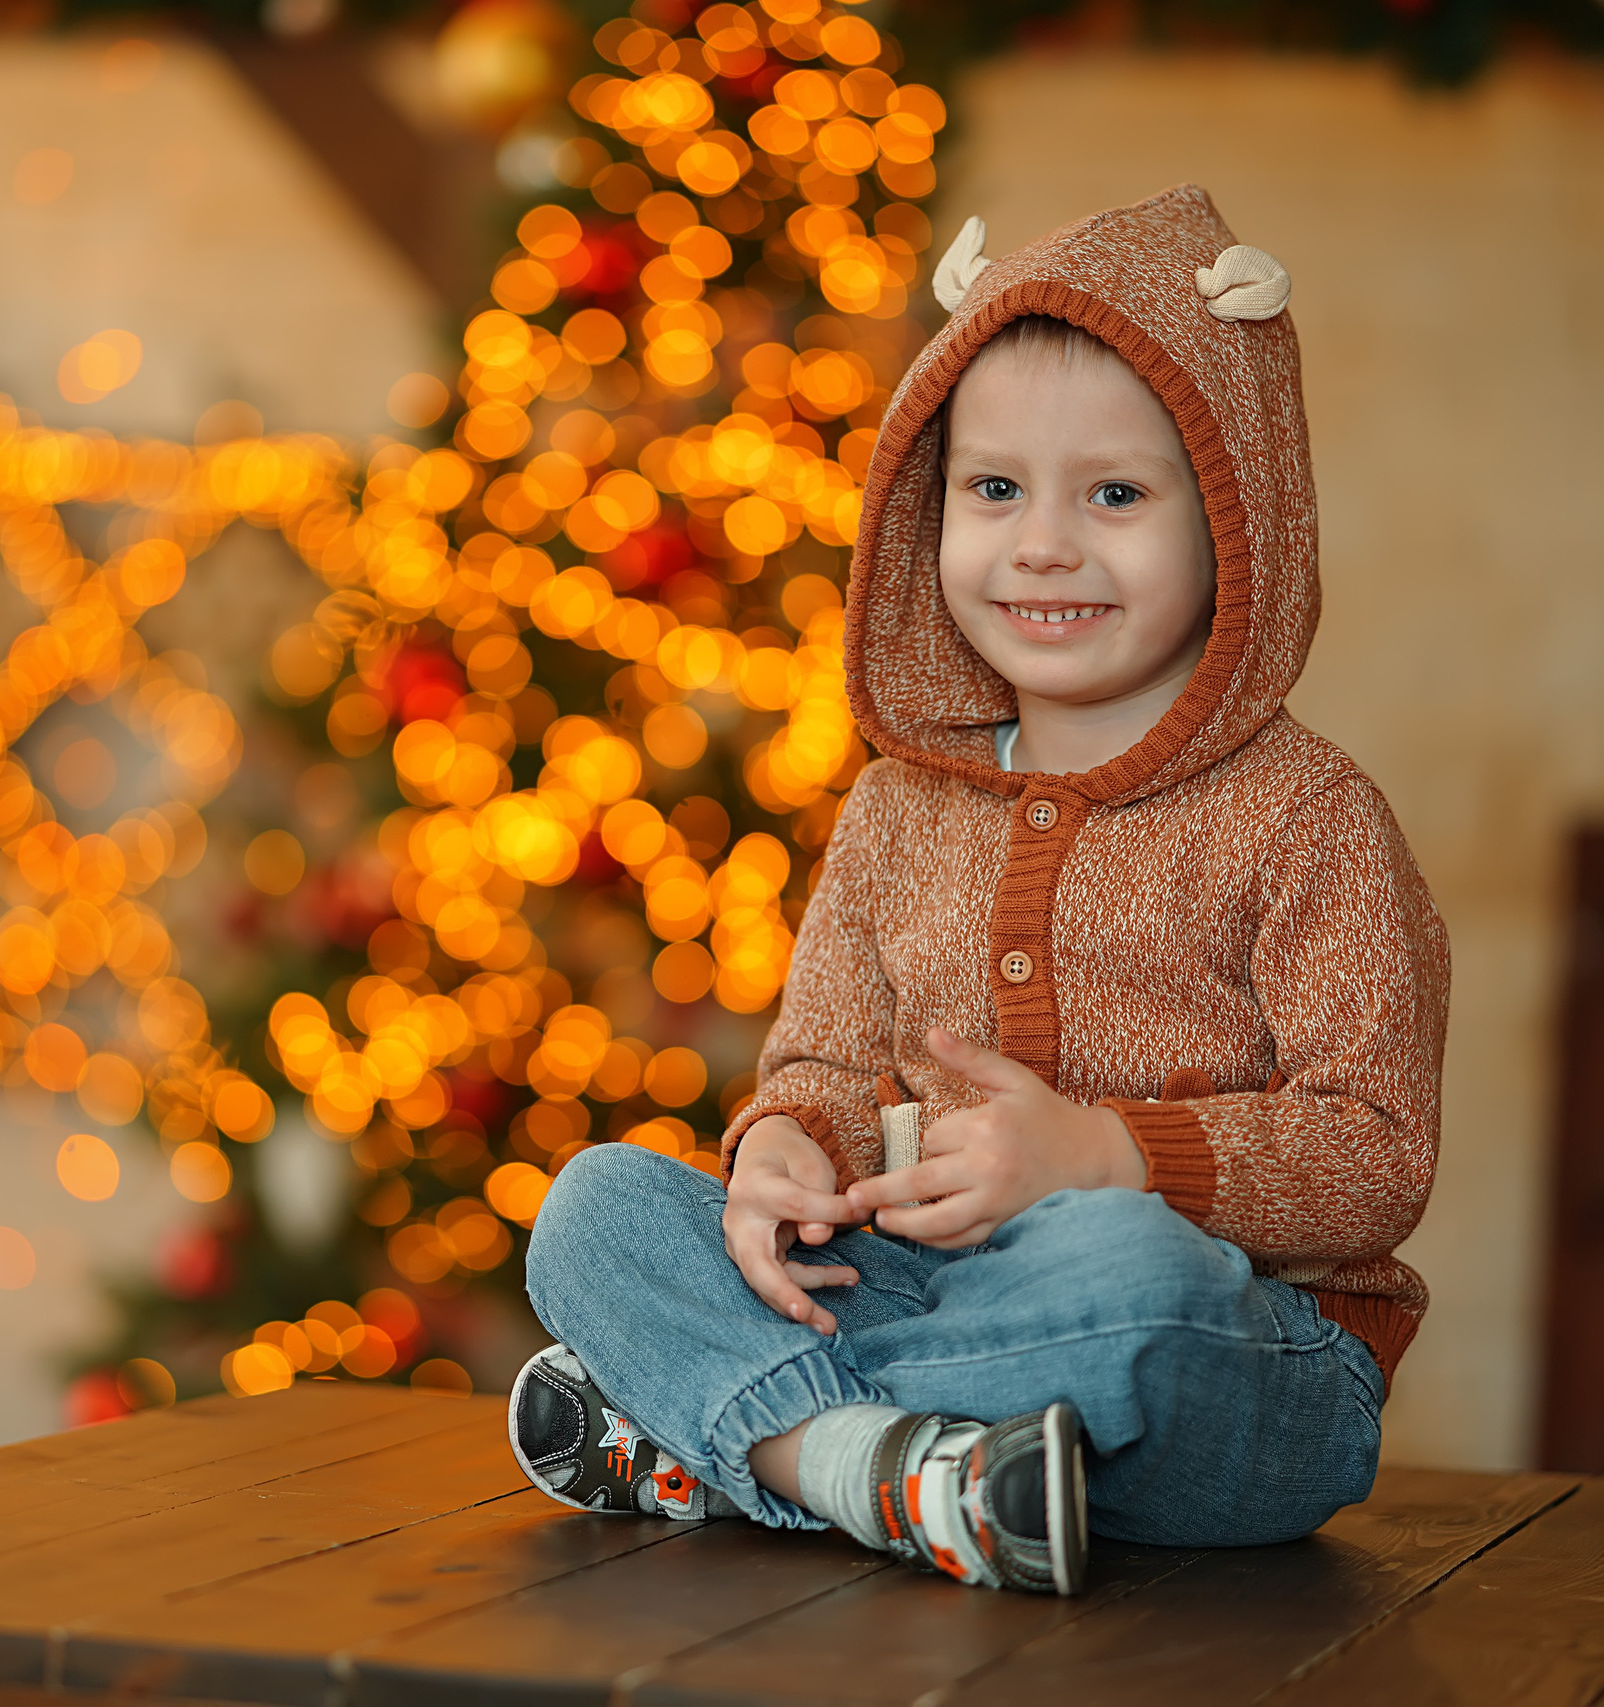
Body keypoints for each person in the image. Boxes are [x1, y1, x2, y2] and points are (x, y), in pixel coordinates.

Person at [506, 185, 1449, 1596]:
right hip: (926, 1293)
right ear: (924, 507)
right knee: (595, 1208)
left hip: (1229, 1357)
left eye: (1115, 495)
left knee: (1124, 1269)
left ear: (1242, 524)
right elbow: (821, 1061)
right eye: (993, 488)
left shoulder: (1310, 821)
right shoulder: (898, 808)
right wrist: (785, 1156)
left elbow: (1376, 1156)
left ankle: (751, 1438)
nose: (1044, 545)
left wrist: (1107, 1156)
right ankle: (894, 1472)